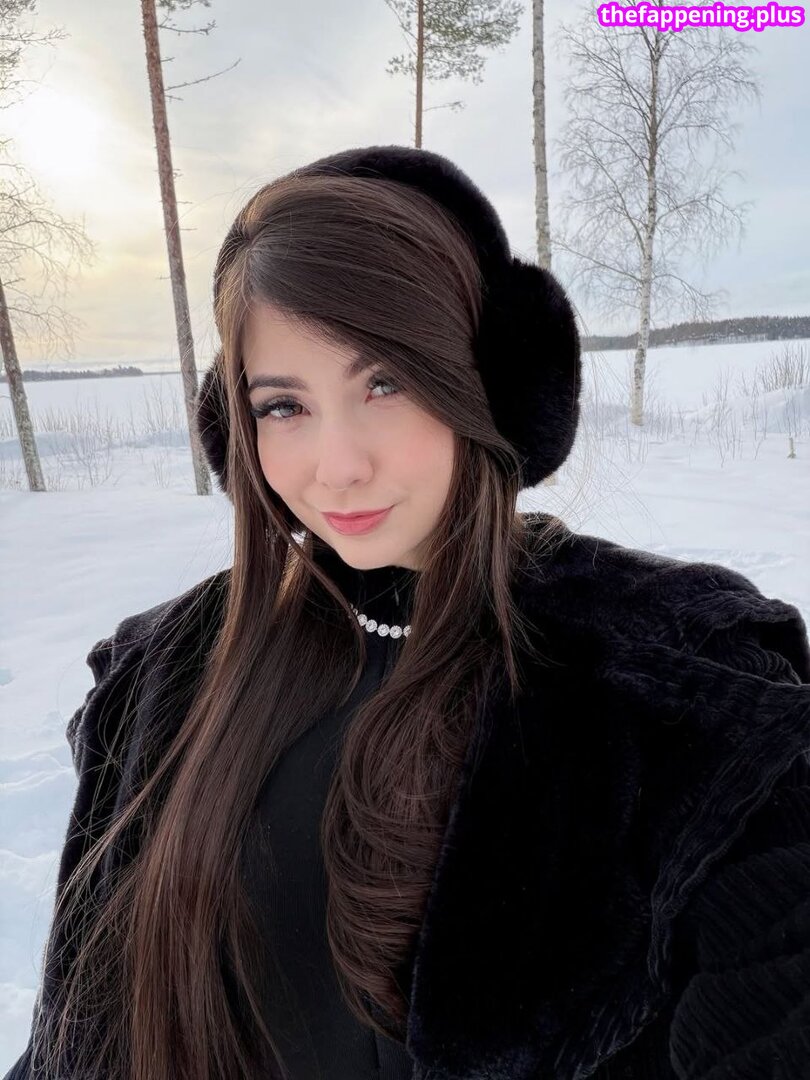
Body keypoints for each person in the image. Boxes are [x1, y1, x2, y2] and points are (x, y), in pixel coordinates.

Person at [5, 144, 810, 1080]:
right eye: (284, 406)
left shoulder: (684, 692)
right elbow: (76, 1039)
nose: (339, 467)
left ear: (491, 381)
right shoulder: (164, 680)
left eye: (385, 383)